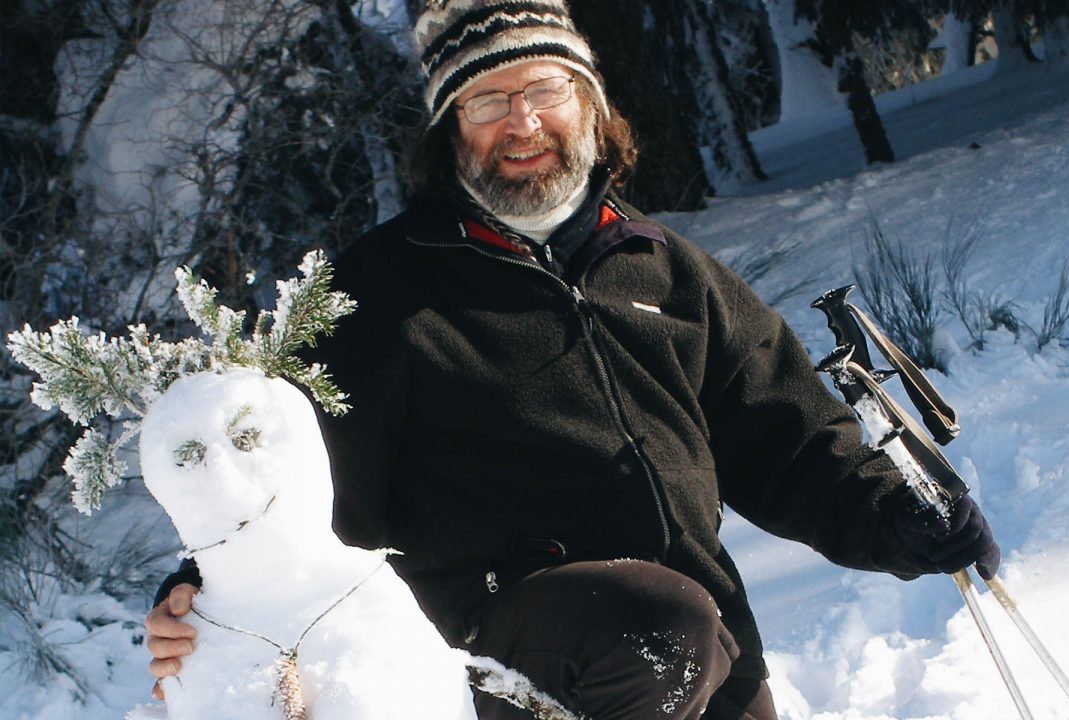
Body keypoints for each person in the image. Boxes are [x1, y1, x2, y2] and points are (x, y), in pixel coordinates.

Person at [145, 2, 1001, 718]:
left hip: (700, 653)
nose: (522, 123)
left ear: (588, 103)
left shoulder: (661, 267)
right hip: (503, 663)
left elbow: (782, 434)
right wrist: (206, 592)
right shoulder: (381, 299)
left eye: (545, 89)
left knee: (677, 633)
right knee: (661, 631)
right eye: (487, 100)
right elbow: (296, 489)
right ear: (451, 130)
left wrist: (898, 516)